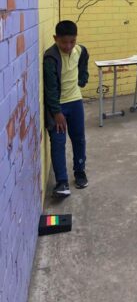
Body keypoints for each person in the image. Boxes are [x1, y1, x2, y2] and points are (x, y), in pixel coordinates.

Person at [43, 20, 89, 198]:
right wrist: (56, 113)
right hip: (58, 107)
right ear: (55, 38)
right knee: (58, 142)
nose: (68, 46)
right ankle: (61, 182)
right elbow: (50, 88)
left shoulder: (79, 50)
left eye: (72, 41)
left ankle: (80, 171)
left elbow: (84, 58)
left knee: (79, 139)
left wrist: (83, 78)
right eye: (64, 42)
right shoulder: (50, 57)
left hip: (76, 102)